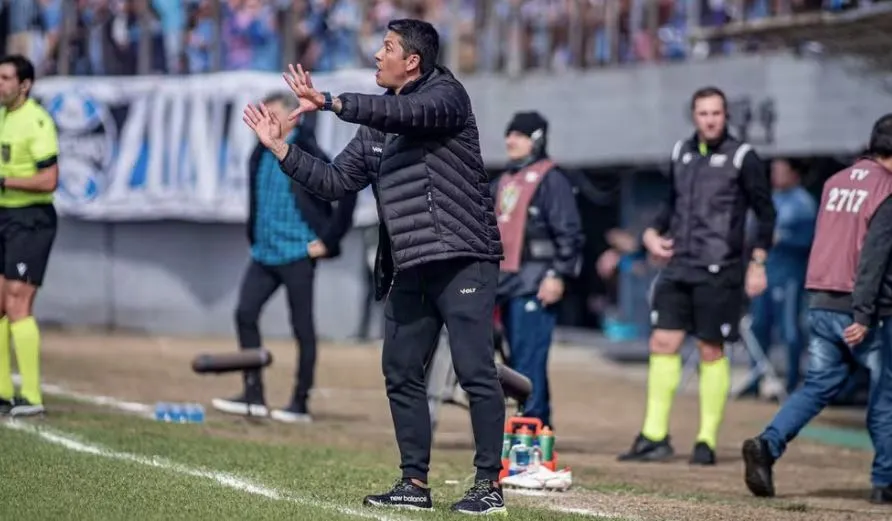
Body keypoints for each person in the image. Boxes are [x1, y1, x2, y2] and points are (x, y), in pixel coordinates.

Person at [242, 19, 508, 516]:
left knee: (474, 370)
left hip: (463, 258)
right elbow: (333, 182)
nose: (376, 56)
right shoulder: (375, 130)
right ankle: (414, 483)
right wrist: (280, 148)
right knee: (401, 370)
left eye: (386, 48)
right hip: (411, 265)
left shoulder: (447, 96)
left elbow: (405, 113)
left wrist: (328, 101)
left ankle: (489, 485)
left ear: (413, 61)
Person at [619, 86, 776, 465]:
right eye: (703, 113)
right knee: (662, 343)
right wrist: (652, 233)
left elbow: (766, 214)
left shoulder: (744, 157)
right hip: (678, 266)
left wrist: (757, 263)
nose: (710, 120)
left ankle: (706, 440)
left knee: (710, 349)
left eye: (716, 113)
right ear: (694, 116)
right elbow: (670, 205)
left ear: (725, 116)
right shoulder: (681, 152)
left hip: (720, 270)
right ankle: (654, 435)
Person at [743, 114, 892, 505]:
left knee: (817, 385)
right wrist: (863, 313)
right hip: (864, 307)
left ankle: (768, 443)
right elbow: (874, 254)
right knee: (885, 393)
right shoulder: (888, 188)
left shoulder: (833, 183)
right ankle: (884, 480)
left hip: (821, 299)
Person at [212, 92, 356, 424]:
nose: (266, 118)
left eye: (273, 113)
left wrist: (329, 240)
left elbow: (346, 189)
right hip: (264, 253)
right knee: (245, 313)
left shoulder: (308, 151)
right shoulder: (258, 153)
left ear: (294, 117)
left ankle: (299, 402)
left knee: (302, 328)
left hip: (297, 253)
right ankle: (253, 394)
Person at [493, 110, 583, 429]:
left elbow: (569, 233)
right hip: (503, 282)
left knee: (529, 361)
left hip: (535, 281)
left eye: (517, 135)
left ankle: (532, 430)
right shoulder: (505, 179)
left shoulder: (552, 179)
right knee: (514, 364)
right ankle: (532, 424)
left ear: (536, 139)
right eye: (508, 134)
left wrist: (558, 275)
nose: (509, 141)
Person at [0, 55, 60, 417]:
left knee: (18, 302)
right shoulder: (3, 116)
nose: (0, 84)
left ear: (25, 85)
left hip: (31, 219)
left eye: (6, 78)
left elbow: (49, 180)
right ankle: (4, 391)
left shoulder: (37, 121)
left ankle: (32, 397)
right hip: (4, 215)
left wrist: (5, 182)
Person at [746, 158, 817, 398]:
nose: (776, 175)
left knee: (789, 330)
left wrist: (782, 239)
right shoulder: (768, 200)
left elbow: (810, 241)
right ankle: (757, 378)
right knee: (758, 326)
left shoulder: (803, 204)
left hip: (790, 275)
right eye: (774, 171)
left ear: (795, 174)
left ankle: (793, 380)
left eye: (782, 171)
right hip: (764, 273)